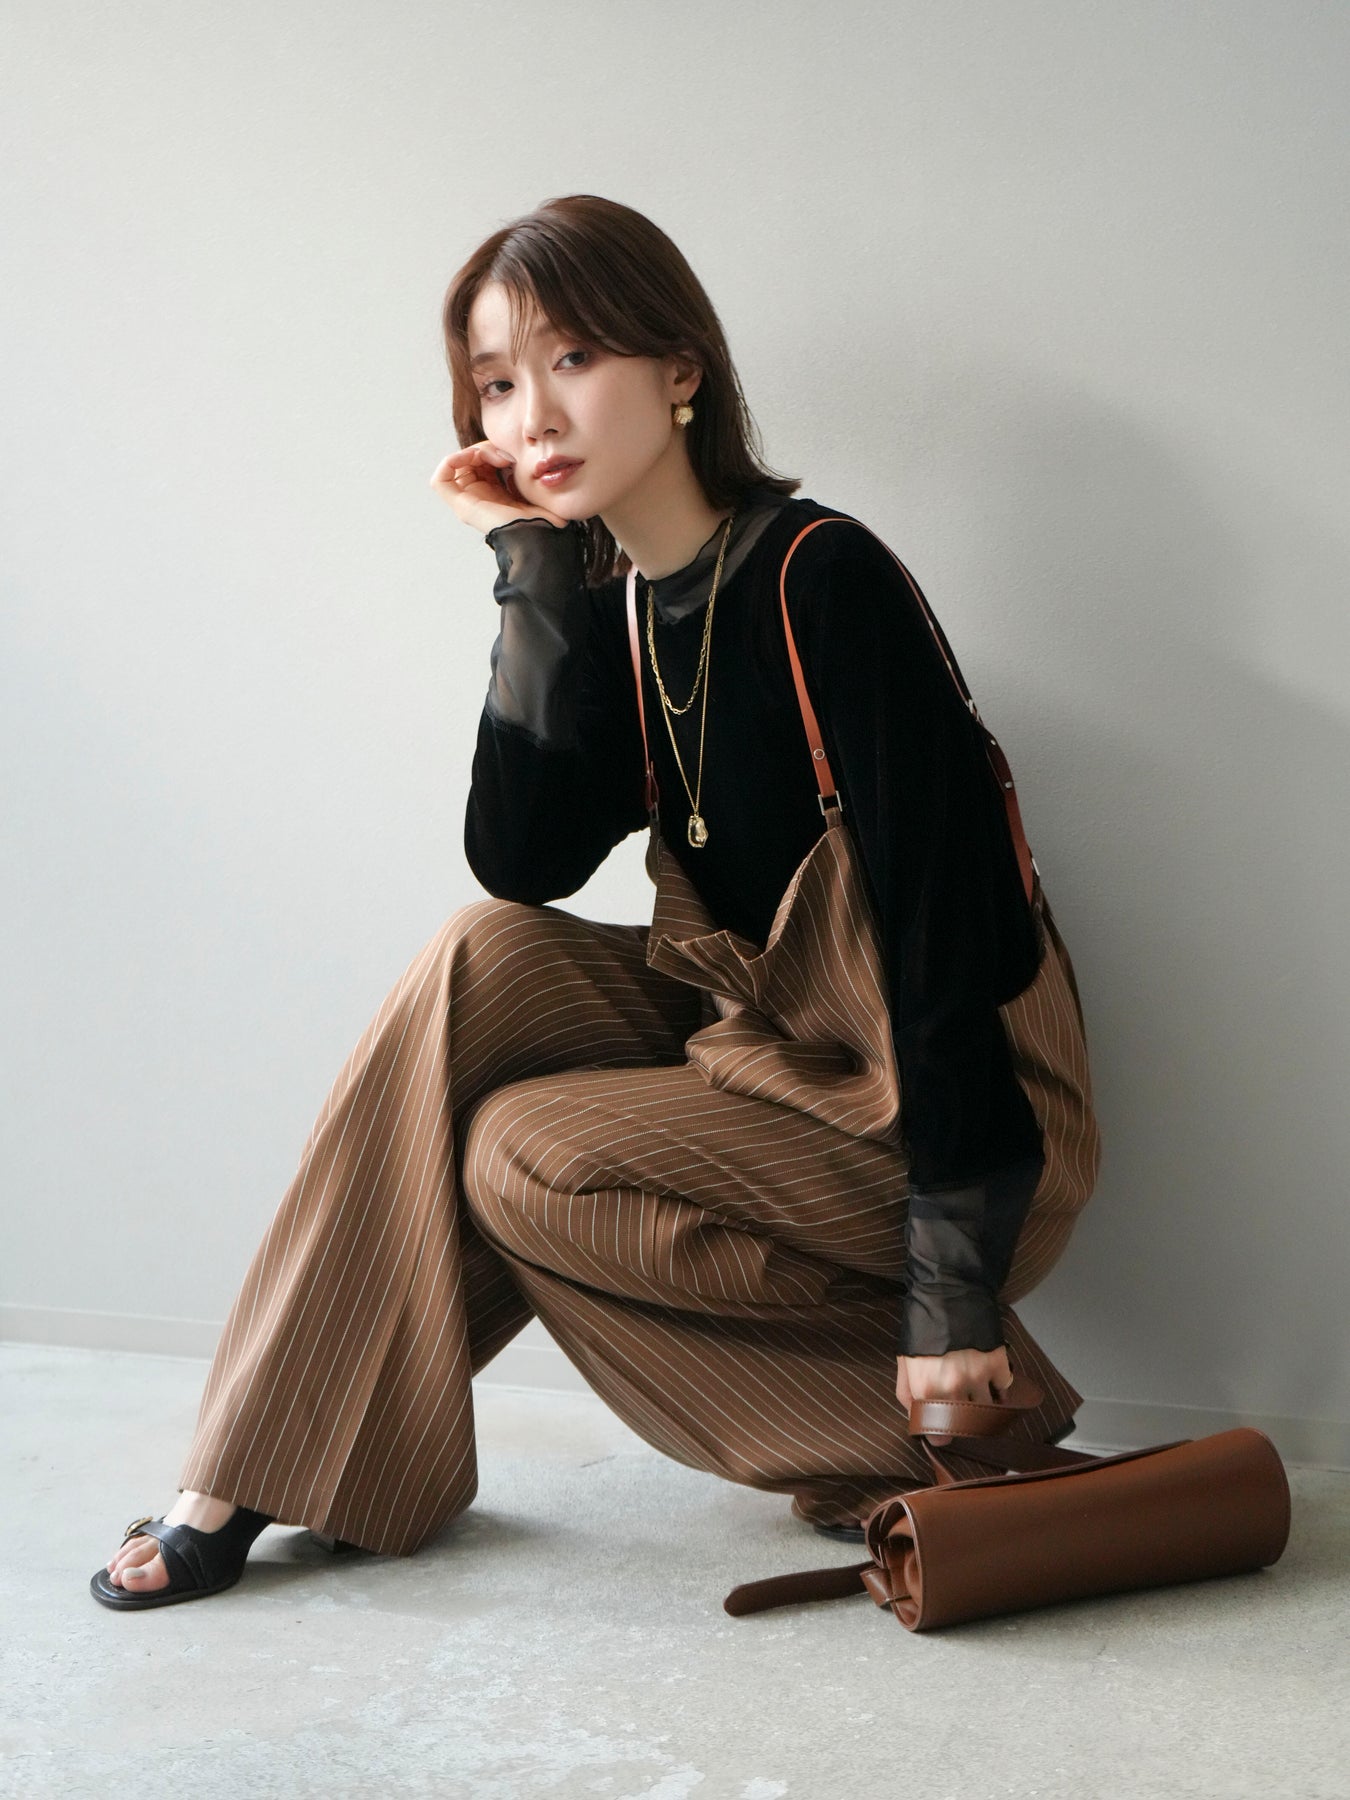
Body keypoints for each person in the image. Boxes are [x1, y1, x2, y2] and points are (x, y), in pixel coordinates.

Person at [92, 194, 1100, 1610]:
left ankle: (948, 1417)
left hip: (945, 1102)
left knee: (520, 1154)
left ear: (681, 367)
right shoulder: (620, 608)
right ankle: (255, 1462)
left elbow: (952, 929)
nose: (534, 418)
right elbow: (522, 861)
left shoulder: (824, 578)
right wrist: (531, 573)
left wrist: (951, 1284)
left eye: (570, 359)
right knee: (485, 953)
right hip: (765, 1049)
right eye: (497, 385)